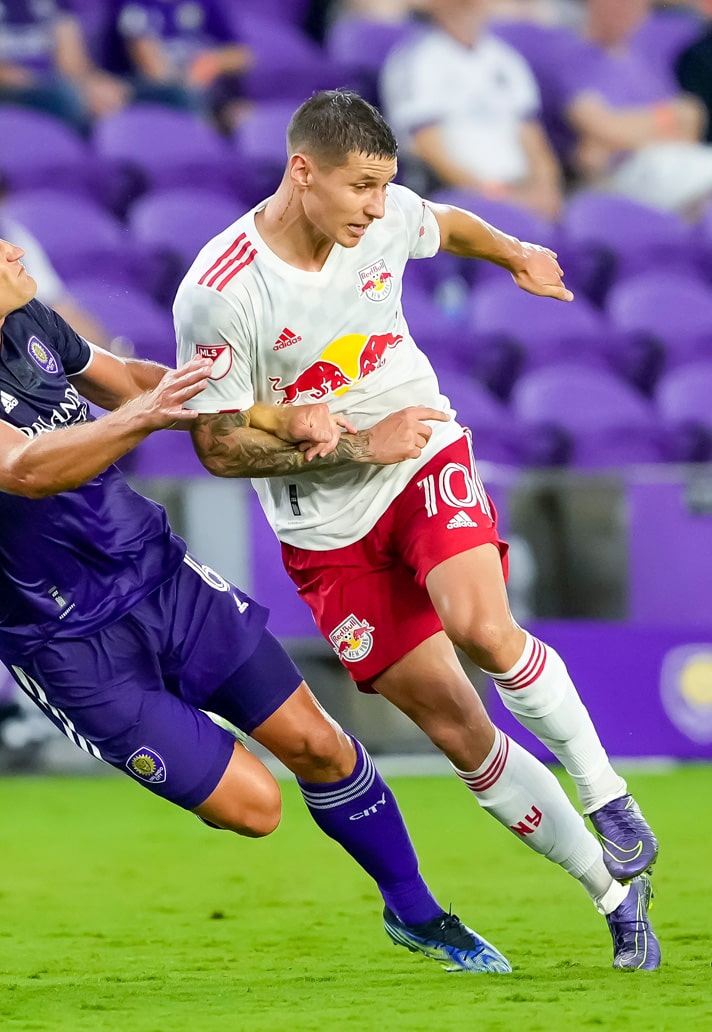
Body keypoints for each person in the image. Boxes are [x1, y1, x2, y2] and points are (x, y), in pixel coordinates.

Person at [174, 88, 661, 971]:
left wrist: (516, 253)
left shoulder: (388, 214)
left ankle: (610, 800)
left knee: (483, 628)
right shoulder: (222, 290)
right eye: (360, 186)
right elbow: (216, 446)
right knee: (462, 730)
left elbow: (449, 224)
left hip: (420, 455)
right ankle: (614, 893)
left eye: (384, 185)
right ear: (302, 171)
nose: (377, 205)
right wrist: (356, 442)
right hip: (325, 529)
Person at [0, 234, 524, 975]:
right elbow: (24, 469)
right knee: (256, 809)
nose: (15, 250)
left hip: (162, 579)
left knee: (321, 746)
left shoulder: (27, 322)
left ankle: (419, 914)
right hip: (63, 641)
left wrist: (269, 415)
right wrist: (139, 418)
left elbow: (135, 382)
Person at [379, 0, 564, 217]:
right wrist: (493, 196)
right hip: (454, 196)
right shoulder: (416, 58)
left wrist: (546, 189)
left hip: (518, 188)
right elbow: (428, 147)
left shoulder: (506, 58)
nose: (470, 6)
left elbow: (533, 138)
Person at [547, 0, 712, 213]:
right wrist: (667, 123)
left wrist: (619, 136)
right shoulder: (570, 60)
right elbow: (600, 128)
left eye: (634, 5)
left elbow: (692, 117)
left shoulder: (642, 61)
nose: (625, 10)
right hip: (617, 176)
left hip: (670, 161)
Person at [0, 0, 128, 133]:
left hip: (56, 84)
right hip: (16, 88)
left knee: (120, 92)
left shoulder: (53, 4)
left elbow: (72, 62)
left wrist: (92, 85)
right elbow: (7, 74)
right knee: (66, 98)